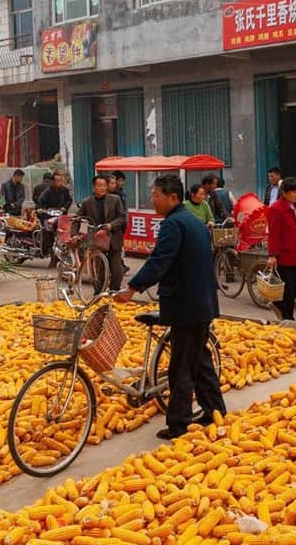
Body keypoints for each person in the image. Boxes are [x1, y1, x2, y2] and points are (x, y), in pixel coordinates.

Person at [114, 174, 225, 440]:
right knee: (200, 361)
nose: (153, 200)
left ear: (172, 197)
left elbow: (159, 261)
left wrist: (132, 287)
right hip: (201, 302)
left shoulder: (174, 225)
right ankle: (214, 410)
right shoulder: (192, 221)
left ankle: (179, 425)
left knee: (182, 369)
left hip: (187, 305)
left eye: (156, 195)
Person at [266, 177, 296, 322]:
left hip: (295, 252)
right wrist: (272, 255)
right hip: (283, 255)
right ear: (284, 193)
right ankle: (287, 317)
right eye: (292, 192)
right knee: (288, 288)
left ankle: (278, 304)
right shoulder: (276, 209)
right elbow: (273, 233)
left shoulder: (295, 206)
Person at [77, 175, 127, 292]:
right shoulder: (87, 202)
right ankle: (98, 295)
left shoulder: (115, 200)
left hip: (113, 239)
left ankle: (114, 292)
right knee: (99, 271)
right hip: (96, 240)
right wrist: (75, 234)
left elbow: (122, 217)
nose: (102, 188)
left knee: (117, 271)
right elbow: (77, 218)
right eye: (99, 186)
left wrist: (111, 225)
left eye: (104, 185)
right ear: (94, 187)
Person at [37, 172, 73, 266]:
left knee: (67, 235)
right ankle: (51, 256)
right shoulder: (47, 192)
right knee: (48, 234)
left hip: (61, 217)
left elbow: (69, 200)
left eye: (61, 180)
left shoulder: (64, 190)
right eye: (57, 181)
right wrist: (41, 209)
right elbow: (40, 201)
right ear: (53, 181)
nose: (59, 182)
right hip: (49, 216)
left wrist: (64, 207)